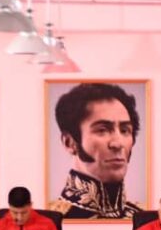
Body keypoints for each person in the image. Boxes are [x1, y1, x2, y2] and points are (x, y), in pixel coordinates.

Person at [47, 82, 143, 219]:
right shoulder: (55, 217)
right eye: (102, 130)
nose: (118, 143)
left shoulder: (141, 216)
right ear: (69, 142)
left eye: (124, 130)